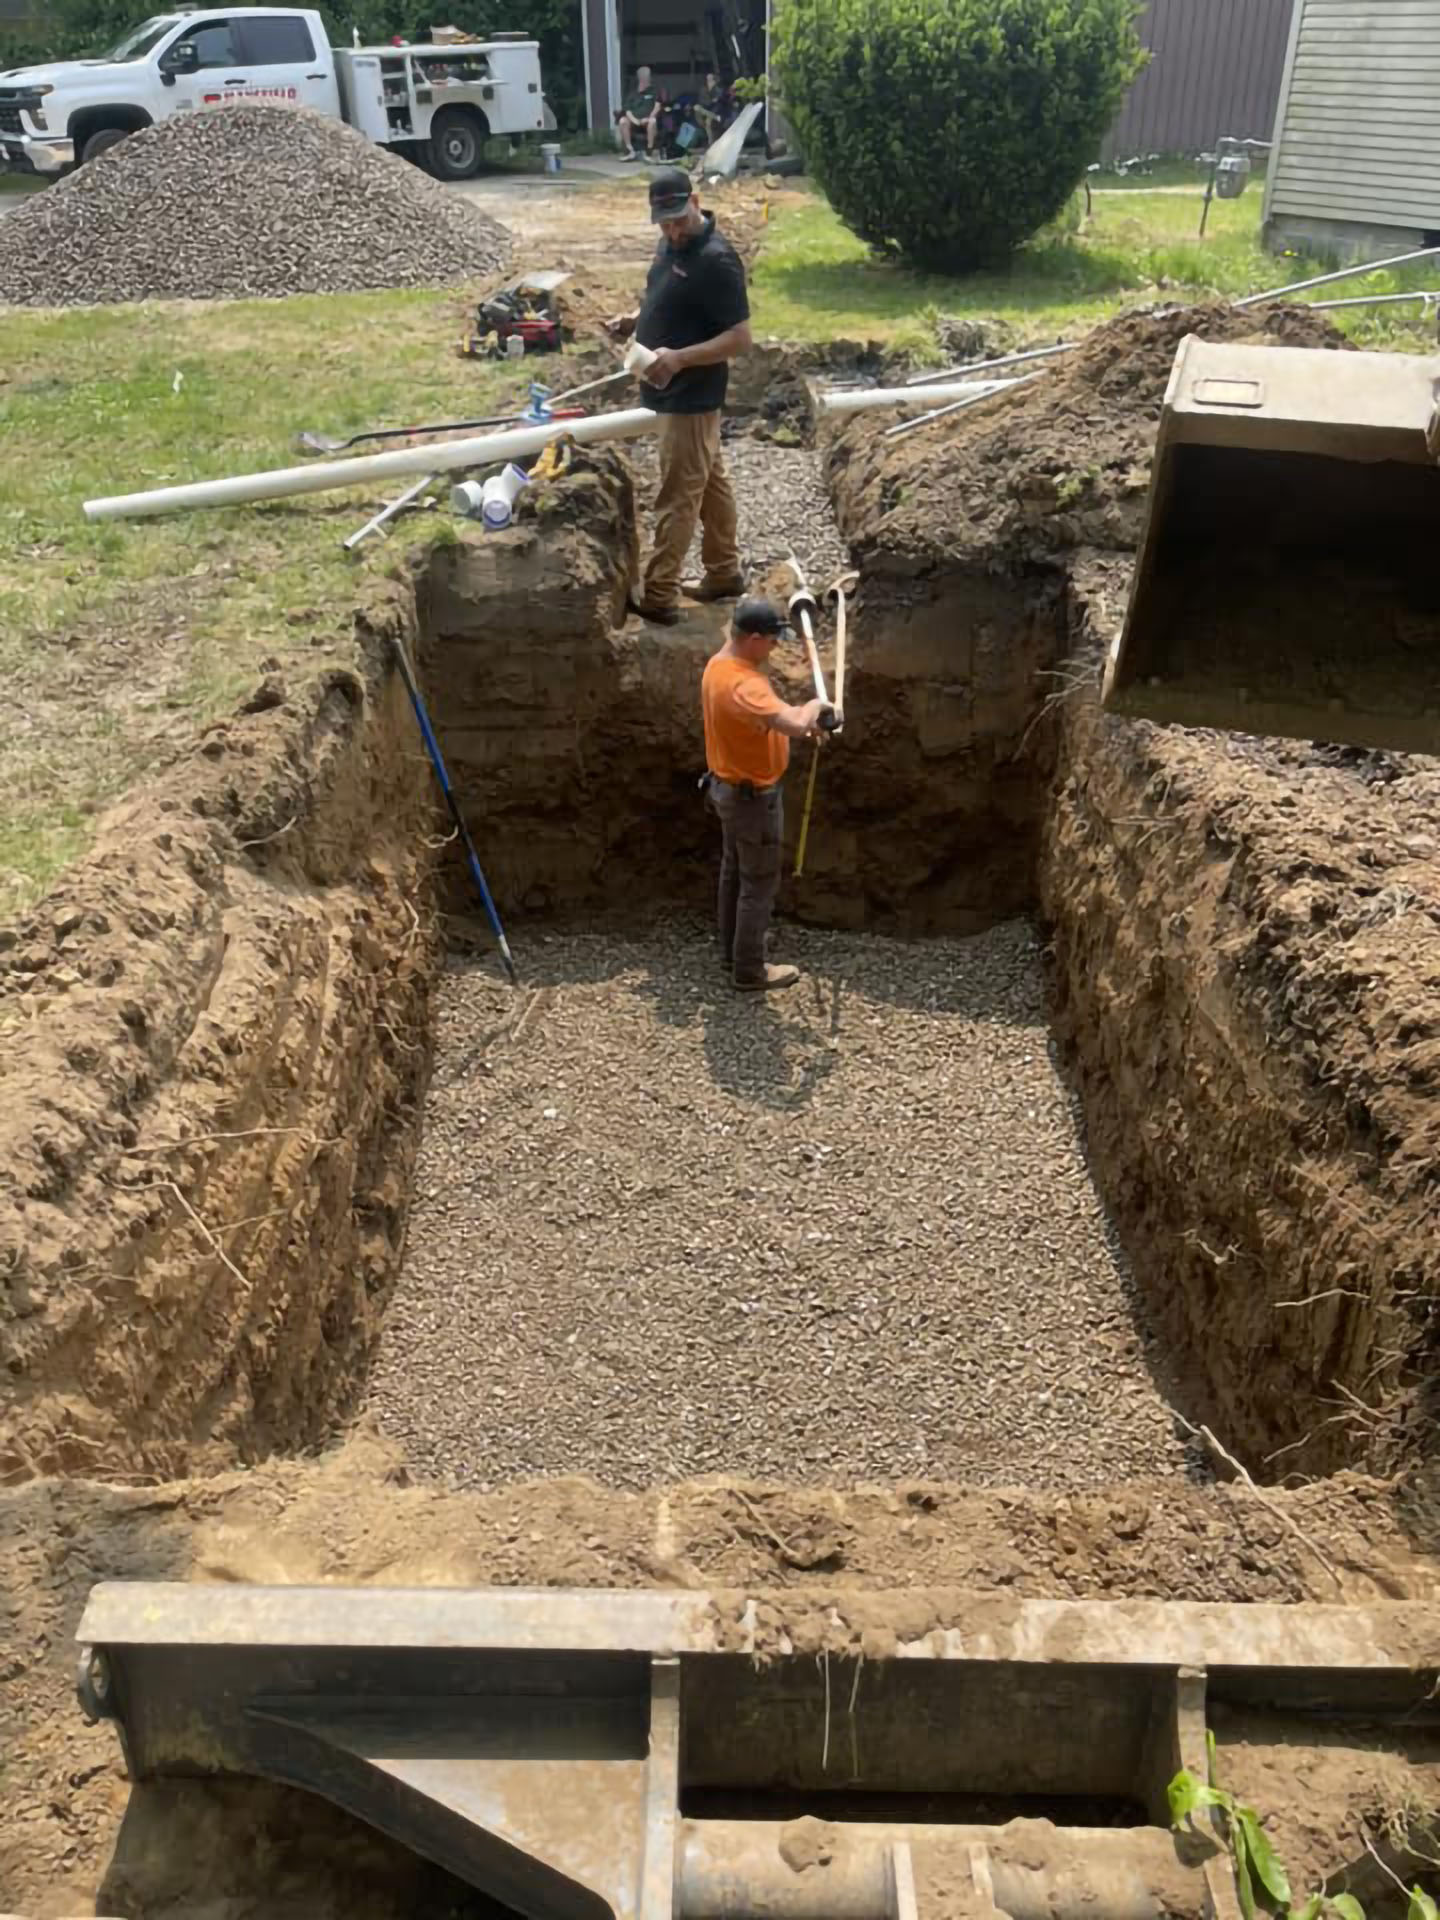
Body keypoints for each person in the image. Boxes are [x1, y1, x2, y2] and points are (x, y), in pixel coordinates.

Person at [607, 168, 751, 622]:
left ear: (695, 200)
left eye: (677, 219)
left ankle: (660, 594)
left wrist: (681, 358)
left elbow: (739, 338)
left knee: (676, 495)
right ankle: (725, 572)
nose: (671, 230)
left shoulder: (717, 260)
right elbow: (667, 293)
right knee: (710, 483)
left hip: (691, 394)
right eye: (663, 222)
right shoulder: (671, 244)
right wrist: (636, 319)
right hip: (669, 385)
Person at [702, 598, 830, 992]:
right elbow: (791, 722)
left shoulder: (718, 667)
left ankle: (733, 954)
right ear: (753, 638)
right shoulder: (744, 685)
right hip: (752, 800)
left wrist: (799, 721)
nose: (776, 647)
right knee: (757, 884)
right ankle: (749, 970)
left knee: (735, 874)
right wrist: (814, 707)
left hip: (727, 788)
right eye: (773, 640)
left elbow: (765, 721)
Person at [617, 66, 660, 160]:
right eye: (646, 76)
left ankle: (649, 152)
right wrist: (635, 120)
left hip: (648, 120)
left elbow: (657, 107)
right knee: (622, 121)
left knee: (652, 121)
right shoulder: (632, 93)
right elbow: (627, 111)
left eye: (648, 76)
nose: (648, 79)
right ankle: (629, 150)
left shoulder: (654, 91)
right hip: (634, 121)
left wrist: (649, 117)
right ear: (641, 78)